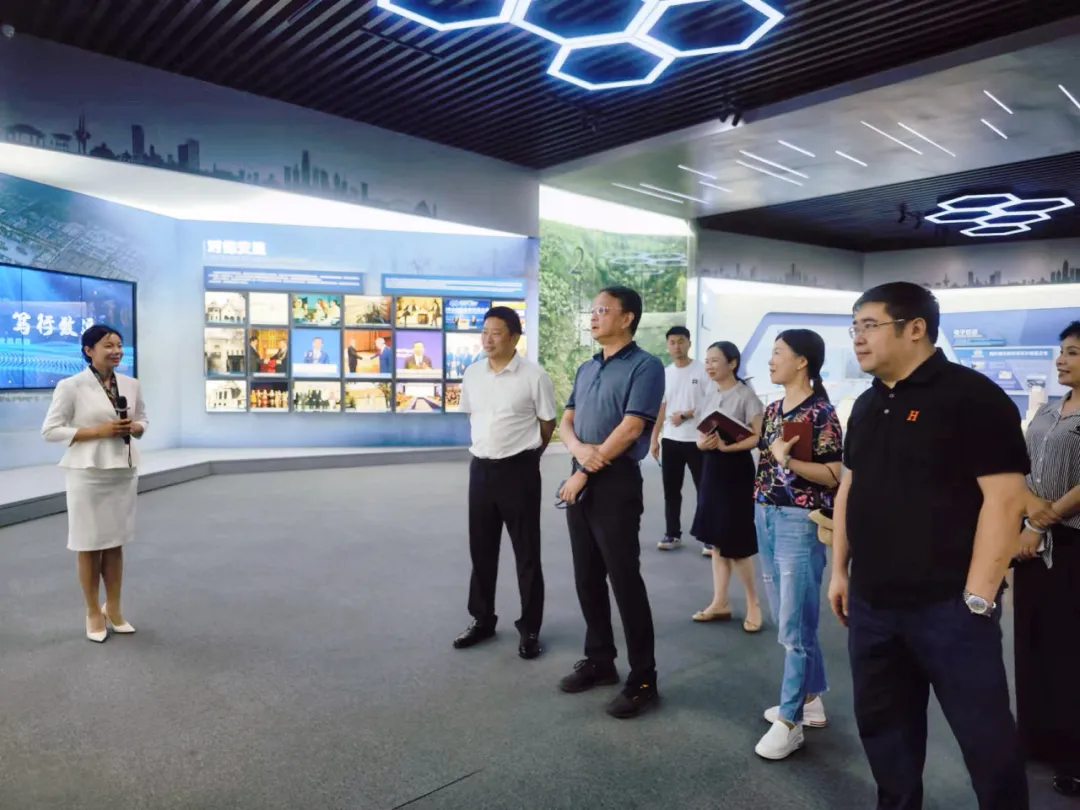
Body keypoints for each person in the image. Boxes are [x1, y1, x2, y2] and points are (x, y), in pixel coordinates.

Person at [829, 282, 1030, 809]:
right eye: (854, 328)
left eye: (869, 326)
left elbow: (1006, 500)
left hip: (950, 609)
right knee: (885, 735)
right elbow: (850, 488)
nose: (857, 338)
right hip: (872, 605)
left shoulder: (973, 397)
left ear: (915, 328)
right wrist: (840, 571)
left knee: (986, 741)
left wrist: (978, 598)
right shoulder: (867, 405)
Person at [557, 286, 665, 719]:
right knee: (586, 577)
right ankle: (600, 660)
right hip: (581, 476)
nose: (594, 316)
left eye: (603, 310)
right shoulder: (587, 367)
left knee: (624, 579)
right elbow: (566, 420)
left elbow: (632, 426)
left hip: (614, 482)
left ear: (627, 318)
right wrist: (577, 453)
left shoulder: (646, 365)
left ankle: (643, 678)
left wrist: (585, 469)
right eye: (593, 310)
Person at [753, 329, 842, 760]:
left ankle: (790, 720)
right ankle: (810, 699)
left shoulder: (821, 412)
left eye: (778, 353)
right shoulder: (773, 410)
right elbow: (765, 464)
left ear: (802, 361)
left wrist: (790, 459)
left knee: (794, 626)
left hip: (798, 521)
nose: (771, 361)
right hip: (765, 514)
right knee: (785, 615)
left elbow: (835, 474)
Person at [453, 306, 556, 660]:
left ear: (514, 337)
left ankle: (530, 628)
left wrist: (530, 457)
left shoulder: (534, 376)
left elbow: (547, 423)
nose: (488, 339)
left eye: (496, 333)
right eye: (484, 332)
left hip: (519, 471)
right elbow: (473, 414)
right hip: (481, 470)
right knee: (481, 550)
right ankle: (482, 620)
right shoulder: (472, 373)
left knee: (527, 553)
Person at [41, 325, 148, 642]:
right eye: (108, 345)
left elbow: (143, 419)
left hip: (121, 471)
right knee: (88, 544)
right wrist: (97, 432)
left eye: (119, 345)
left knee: (115, 543)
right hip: (87, 473)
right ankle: (92, 611)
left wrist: (136, 427)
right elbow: (50, 430)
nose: (116, 351)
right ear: (88, 350)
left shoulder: (130, 384)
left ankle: (112, 608)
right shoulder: (71, 386)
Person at [1014, 320, 1080, 799]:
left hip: (1071, 543)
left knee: (1069, 650)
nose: (1061, 360)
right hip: (1032, 546)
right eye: (1061, 351)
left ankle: (1072, 754)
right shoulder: (1050, 409)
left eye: (1073, 352)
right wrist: (1028, 516)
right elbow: (1021, 466)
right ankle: (1036, 738)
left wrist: (1041, 521)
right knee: (1031, 641)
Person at [690, 342, 764, 632]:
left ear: (732, 363)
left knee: (737, 542)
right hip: (712, 467)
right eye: (706, 361)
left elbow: (757, 437)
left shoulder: (746, 395)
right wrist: (702, 445)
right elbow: (700, 433)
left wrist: (727, 447)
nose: (709, 366)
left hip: (736, 470)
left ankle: (753, 603)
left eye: (715, 360)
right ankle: (719, 602)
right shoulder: (709, 393)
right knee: (716, 539)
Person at [649, 326, 707, 553]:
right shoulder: (665, 374)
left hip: (698, 440)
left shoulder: (702, 371)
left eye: (681, 341)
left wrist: (686, 414)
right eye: (672, 342)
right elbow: (661, 409)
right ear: (667, 346)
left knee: (704, 489)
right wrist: (654, 439)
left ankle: (708, 537)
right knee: (671, 491)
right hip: (671, 440)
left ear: (689, 343)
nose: (677, 346)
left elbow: (712, 403)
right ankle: (672, 534)